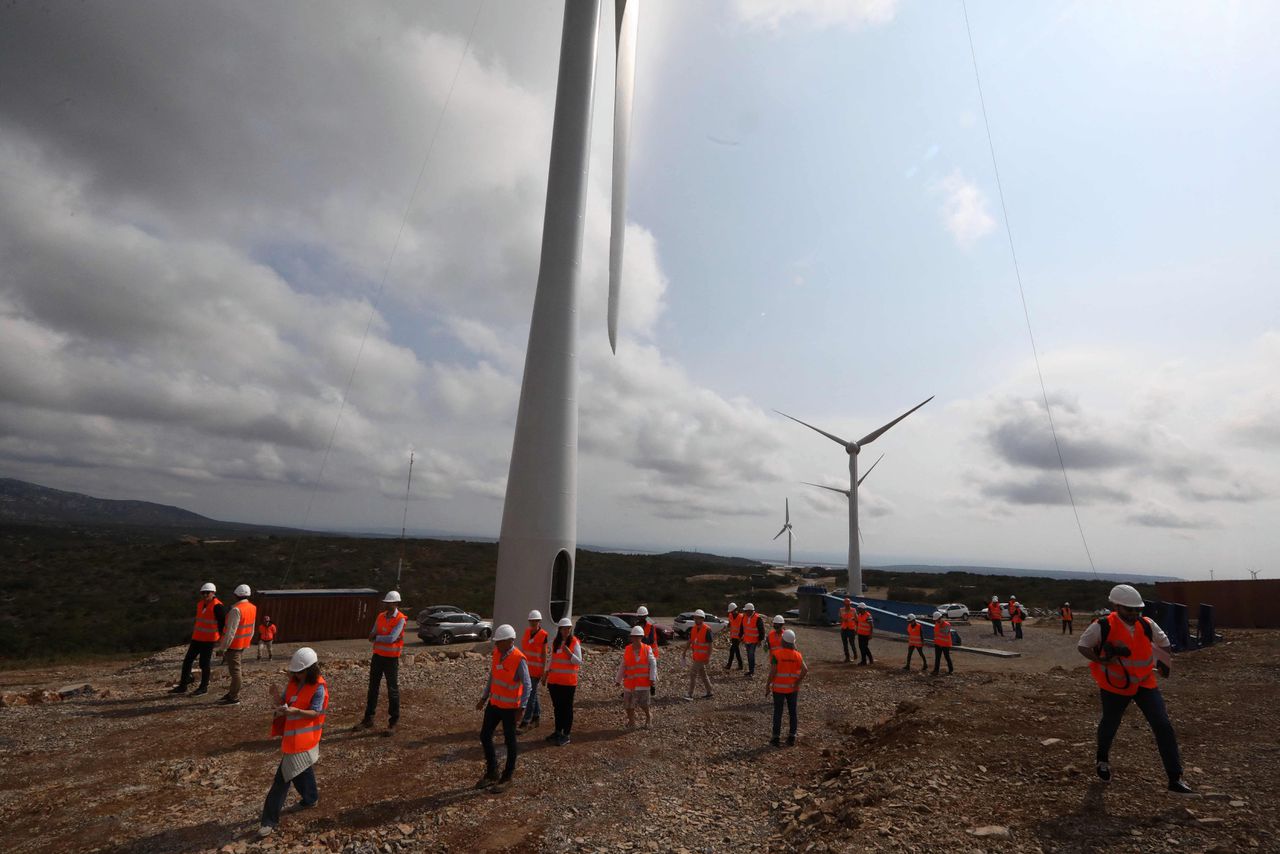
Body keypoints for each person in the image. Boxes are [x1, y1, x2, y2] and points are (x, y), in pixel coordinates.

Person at [1078, 585, 1192, 794]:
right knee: (1110, 723)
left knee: (1162, 725)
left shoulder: (1147, 624)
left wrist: (1166, 663)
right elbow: (1083, 646)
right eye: (1129, 610)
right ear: (1116, 606)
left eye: (1137, 610)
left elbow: (1164, 643)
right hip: (1115, 685)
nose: (1134, 614)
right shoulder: (1102, 626)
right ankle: (1102, 759)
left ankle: (1175, 778)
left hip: (1144, 683)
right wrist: (1101, 660)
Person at [257, 646, 327, 838]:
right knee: (301, 770)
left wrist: (295, 712)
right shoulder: (294, 682)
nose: (297, 675)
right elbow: (285, 702)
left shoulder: (319, 687)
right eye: (295, 672)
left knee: (281, 780)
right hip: (293, 739)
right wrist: (276, 696)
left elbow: (316, 712)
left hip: (304, 741)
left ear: (311, 670)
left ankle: (268, 821)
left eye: (301, 672)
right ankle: (311, 798)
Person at [475, 624, 530, 793]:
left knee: (510, 741)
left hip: (509, 708)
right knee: (485, 735)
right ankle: (492, 771)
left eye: (499, 641)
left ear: (510, 641)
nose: (496, 644)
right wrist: (484, 697)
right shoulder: (497, 653)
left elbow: (528, 685)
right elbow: (493, 677)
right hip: (494, 704)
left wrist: (522, 708)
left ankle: (507, 776)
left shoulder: (518, 659)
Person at [355, 591, 405, 733]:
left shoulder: (400, 619)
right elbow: (371, 635)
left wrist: (378, 637)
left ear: (395, 603)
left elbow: (391, 638)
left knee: (392, 690)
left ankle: (393, 722)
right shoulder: (381, 616)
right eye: (386, 602)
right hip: (378, 657)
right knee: (373, 688)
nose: (387, 604)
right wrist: (380, 637)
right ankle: (368, 719)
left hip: (391, 659)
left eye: (389, 602)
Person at [171, 582, 226, 696]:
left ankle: (203, 687)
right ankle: (183, 686)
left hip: (209, 640)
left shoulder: (218, 606)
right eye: (203, 593)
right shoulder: (200, 604)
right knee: (187, 661)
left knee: (204, 664)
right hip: (197, 638)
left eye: (207, 593)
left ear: (213, 593)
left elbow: (222, 624)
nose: (205, 595)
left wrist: (222, 640)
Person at [764, 629, 807, 747]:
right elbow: (805, 670)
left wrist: (768, 685)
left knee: (778, 712)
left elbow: (772, 672)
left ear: (783, 640)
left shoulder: (776, 655)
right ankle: (792, 736)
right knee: (792, 712)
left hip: (778, 689)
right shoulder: (798, 655)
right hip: (793, 689)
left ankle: (776, 737)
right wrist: (797, 682)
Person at [215, 584, 256, 705]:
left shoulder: (236, 610)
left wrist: (223, 648)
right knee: (236, 670)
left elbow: (230, 632)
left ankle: (233, 697)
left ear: (236, 595)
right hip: (242, 644)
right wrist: (247, 641)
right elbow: (252, 628)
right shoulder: (252, 607)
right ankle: (232, 693)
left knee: (235, 672)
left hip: (234, 645)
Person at [543, 618, 582, 746]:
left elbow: (579, 661)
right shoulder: (555, 642)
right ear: (559, 630)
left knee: (567, 708)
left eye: (568, 628)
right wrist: (546, 673)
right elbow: (552, 659)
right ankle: (558, 731)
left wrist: (569, 653)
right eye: (564, 628)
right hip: (554, 682)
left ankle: (566, 734)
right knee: (557, 708)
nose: (566, 631)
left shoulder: (574, 642)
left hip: (568, 683)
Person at [615, 625, 657, 729]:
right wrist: (618, 680)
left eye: (638, 637)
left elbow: (653, 663)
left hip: (643, 683)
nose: (636, 639)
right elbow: (623, 665)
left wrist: (652, 678)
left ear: (641, 637)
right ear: (631, 637)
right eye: (634, 636)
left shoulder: (647, 649)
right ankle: (632, 722)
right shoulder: (628, 649)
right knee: (628, 705)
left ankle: (649, 717)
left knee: (644, 704)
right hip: (630, 683)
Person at [519, 610, 549, 730]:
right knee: (533, 693)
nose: (533, 623)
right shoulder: (526, 632)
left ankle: (526, 721)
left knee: (530, 695)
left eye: (535, 621)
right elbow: (523, 650)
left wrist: (543, 671)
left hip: (536, 670)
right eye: (531, 621)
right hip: (526, 669)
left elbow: (544, 654)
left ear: (539, 621)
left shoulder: (543, 635)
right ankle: (536, 717)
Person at [681, 609, 714, 701]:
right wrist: (684, 651)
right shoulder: (694, 629)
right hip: (696, 656)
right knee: (703, 675)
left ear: (702, 619)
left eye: (698, 618)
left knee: (692, 673)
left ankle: (690, 694)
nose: (696, 620)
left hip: (702, 657)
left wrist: (708, 657)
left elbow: (710, 645)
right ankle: (710, 691)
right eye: (695, 618)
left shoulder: (707, 629)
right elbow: (690, 641)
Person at [738, 603, 765, 677]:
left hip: (754, 640)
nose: (745, 612)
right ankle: (750, 670)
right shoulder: (744, 617)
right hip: (747, 640)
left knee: (750, 655)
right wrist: (740, 636)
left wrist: (760, 640)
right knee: (749, 655)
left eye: (746, 611)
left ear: (750, 611)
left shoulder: (758, 618)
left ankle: (751, 671)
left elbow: (761, 630)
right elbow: (742, 628)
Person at [724, 603, 744, 671]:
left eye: (733, 611)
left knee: (733, 650)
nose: (732, 613)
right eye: (731, 612)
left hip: (738, 637)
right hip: (733, 636)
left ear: (736, 610)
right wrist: (728, 626)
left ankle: (729, 665)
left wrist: (741, 637)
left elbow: (743, 628)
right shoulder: (730, 615)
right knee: (736, 650)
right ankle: (740, 665)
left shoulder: (741, 617)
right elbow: (730, 623)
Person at [839, 597, 858, 662]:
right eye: (846, 604)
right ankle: (847, 657)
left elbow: (856, 619)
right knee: (845, 644)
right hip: (844, 628)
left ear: (850, 604)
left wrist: (856, 629)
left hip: (851, 629)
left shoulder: (853, 610)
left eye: (848, 604)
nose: (847, 605)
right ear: (844, 604)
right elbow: (840, 618)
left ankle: (855, 654)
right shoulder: (841, 610)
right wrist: (842, 619)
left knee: (852, 643)